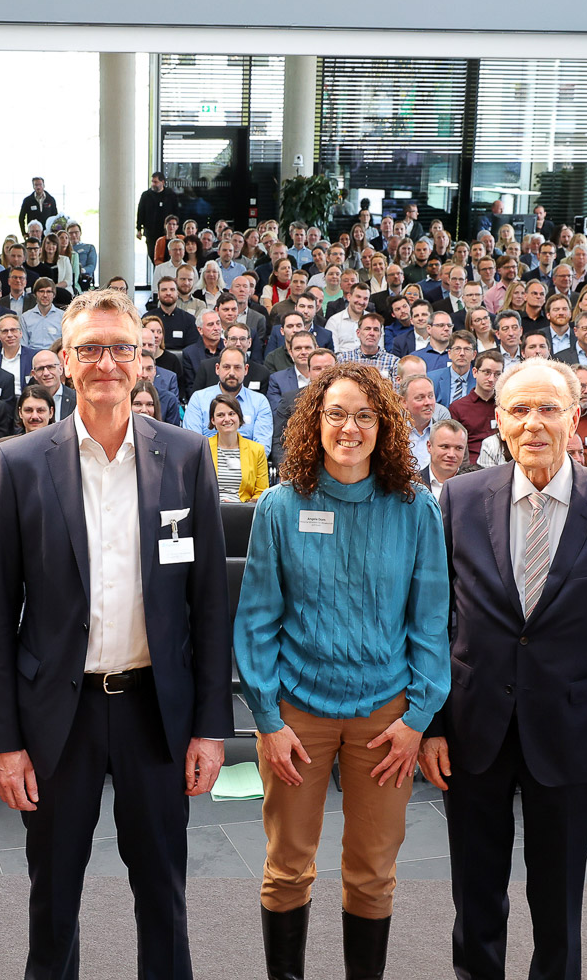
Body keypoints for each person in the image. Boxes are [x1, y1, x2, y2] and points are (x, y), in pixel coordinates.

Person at [0, 288, 231, 980]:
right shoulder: (21, 463)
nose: (106, 363)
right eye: (88, 348)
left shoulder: (184, 456)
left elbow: (209, 603)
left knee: (162, 894)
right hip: (60, 715)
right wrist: (2, 742)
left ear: (143, 359)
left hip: (156, 711)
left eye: (121, 348)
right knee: (53, 900)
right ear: (63, 359)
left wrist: (211, 728)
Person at [422, 358, 587, 980]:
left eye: (548, 409)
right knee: (474, 896)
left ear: (577, 418)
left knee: (559, 904)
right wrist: (433, 726)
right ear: (497, 420)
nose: (532, 424)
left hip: (572, 736)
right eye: (518, 410)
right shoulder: (460, 498)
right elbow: (435, 620)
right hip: (473, 731)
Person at [237, 362, 449, 980]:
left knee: (373, 873)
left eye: (363, 415)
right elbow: (255, 622)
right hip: (296, 717)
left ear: (384, 425)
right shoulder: (279, 507)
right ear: (314, 422)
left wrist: (418, 720)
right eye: (335, 414)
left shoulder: (416, 510)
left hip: (387, 720)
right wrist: (268, 720)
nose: (349, 427)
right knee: (286, 867)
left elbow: (432, 624)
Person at [207, 393, 269, 502]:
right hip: (210, 509)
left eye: (231, 414)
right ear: (213, 420)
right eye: (220, 415)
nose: (227, 419)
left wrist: (241, 506)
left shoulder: (257, 450)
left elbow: (261, 492)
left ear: (239, 417)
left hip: (242, 511)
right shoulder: (203, 448)